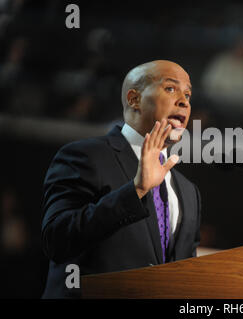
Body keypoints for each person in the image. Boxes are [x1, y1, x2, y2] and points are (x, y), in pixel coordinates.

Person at [41, 60, 201, 298]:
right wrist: (136, 190)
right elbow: (57, 240)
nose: (184, 101)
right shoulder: (84, 156)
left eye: (188, 94)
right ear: (134, 99)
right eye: (170, 88)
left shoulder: (189, 192)